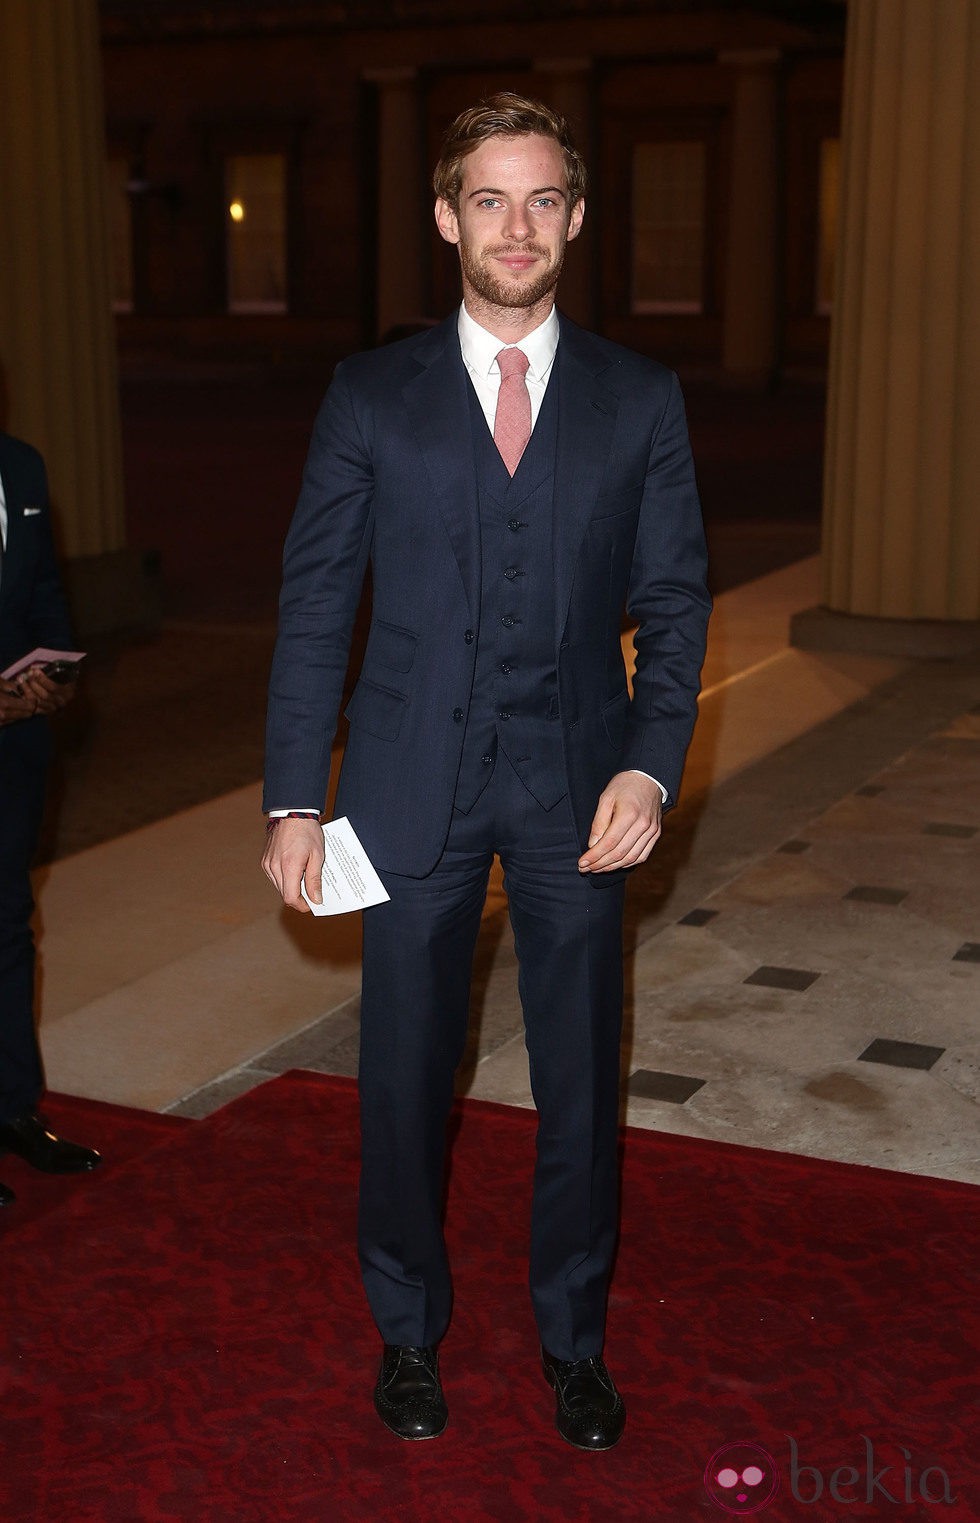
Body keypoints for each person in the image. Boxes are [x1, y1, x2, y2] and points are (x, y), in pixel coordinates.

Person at [262, 93, 710, 1449]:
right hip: (407, 789)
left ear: (573, 217)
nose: (518, 227)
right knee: (402, 1075)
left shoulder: (640, 398)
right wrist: (294, 794)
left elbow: (677, 602)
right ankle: (406, 1324)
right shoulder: (369, 392)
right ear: (450, 217)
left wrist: (651, 763)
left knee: (580, 1074)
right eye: (491, 201)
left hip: (580, 786)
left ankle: (573, 1331)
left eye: (544, 200)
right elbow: (316, 602)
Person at [0, 430, 100, 1206]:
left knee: (9, 920)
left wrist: (54, 671)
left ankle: (14, 1109)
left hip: (17, 742)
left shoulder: (22, 464)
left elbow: (45, 593)